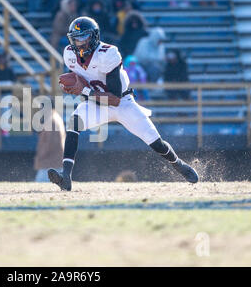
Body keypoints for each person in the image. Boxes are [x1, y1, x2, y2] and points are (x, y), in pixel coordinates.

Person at [47, 17, 199, 191]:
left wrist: (84, 91)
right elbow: (77, 78)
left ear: (94, 37)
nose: (79, 43)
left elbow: (115, 98)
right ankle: (66, 176)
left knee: (156, 143)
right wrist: (71, 86)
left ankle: (178, 164)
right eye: (76, 38)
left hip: (122, 103)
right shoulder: (69, 53)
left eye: (84, 38)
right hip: (95, 103)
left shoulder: (108, 54)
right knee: (73, 124)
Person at [34, 103, 66, 182]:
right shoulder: (55, 117)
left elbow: (50, 143)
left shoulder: (51, 121)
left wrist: (40, 156)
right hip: (56, 160)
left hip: (49, 162)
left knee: (39, 184)